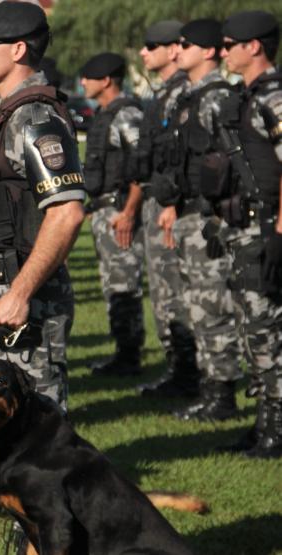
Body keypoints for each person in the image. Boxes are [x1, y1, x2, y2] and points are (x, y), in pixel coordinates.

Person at [0, 1, 85, 410]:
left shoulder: (36, 118)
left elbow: (66, 212)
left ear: (19, 50)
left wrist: (20, 293)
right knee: (2, 424)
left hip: (26, 296)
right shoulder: (4, 115)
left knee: (38, 421)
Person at [152, 19, 244, 422]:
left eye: (185, 45)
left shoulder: (218, 98)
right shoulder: (189, 97)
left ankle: (223, 395)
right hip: (188, 212)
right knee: (196, 305)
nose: (177, 51)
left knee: (213, 305)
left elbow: (234, 163)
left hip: (212, 217)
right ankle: (209, 389)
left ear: (208, 51)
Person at [215, 10, 282, 458]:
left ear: (253, 45)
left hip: (266, 226)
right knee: (251, 328)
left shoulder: (275, 96)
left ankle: (277, 428)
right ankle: (263, 424)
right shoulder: (247, 96)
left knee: (268, 329)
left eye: (230, 43)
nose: (224, 52)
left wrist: (279, 230)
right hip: (244, 228)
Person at [134, 20, 200, 398]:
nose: (144, 52)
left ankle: (190, 375)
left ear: (173, 48)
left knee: (176, 292)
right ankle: (180, 370)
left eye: (151, 45)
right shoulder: (164, 93)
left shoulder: (183, 94)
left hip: (171, 204)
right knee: (162, 293)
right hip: (156, 199)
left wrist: (174, 203)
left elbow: (183, 157)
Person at [79, 53, 146, 378]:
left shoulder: (126, 113)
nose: (83, 83)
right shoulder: (105, 114)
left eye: (87, 77)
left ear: (105, 80)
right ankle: (123, 353)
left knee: (124, 284)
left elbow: (140, 165)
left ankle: (130, 357)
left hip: (121, 212)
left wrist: (129, 212)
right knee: (112, 285)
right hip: (105, 210)